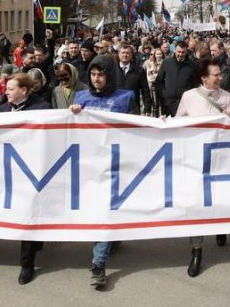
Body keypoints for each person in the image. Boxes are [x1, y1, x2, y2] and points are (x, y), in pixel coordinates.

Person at [68, 55, 139, 289]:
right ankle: (111, 239)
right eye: (93, 74)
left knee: (105, 211)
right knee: (99, 212)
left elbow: (137, 129)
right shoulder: (80, 97)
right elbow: (67, 129)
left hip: (116, 165)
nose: (97, 79)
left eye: (101, 74)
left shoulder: (125, 97)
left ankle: (98, 263)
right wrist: (72, 113)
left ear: (110, 75)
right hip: (88, 165)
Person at [173, 58, 230, 277]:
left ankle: (220, 228)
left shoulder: (227, 97)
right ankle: (196, 250)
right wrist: (165, 122)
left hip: (222, 160)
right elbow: (177, 124)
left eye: (221, 74)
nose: (220, 78)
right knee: (196, 204)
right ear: (204, 78)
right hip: (195, 161)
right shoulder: (189, 97)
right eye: (216, 75)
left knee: (220, 199)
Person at [0, 73, 52, 285]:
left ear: (25, 90)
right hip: (9, 170)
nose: (6, 92)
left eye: (10, 89)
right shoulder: (3, 109)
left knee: (28, 214)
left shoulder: (43, 108)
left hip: (34, 171)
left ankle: (27, 265)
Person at [154, 41, 199, 117]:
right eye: (178, 52)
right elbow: (159, 81)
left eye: (183, 52)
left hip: (184, 103)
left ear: (186, 51)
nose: (180, 54)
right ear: (174, 50)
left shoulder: (193, 65)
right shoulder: (166, 62)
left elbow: (195, 84)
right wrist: (163, 94)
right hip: (167, 102)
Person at [115, 44, 153, 115]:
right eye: (123, 53)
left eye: (127, 53)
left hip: (133, 108)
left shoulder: (139, 70)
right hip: (116, 107)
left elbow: (145, 91)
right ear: (118, 54)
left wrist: (147, 109)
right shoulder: (112, 69)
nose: (125, 55)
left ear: (131, 55)